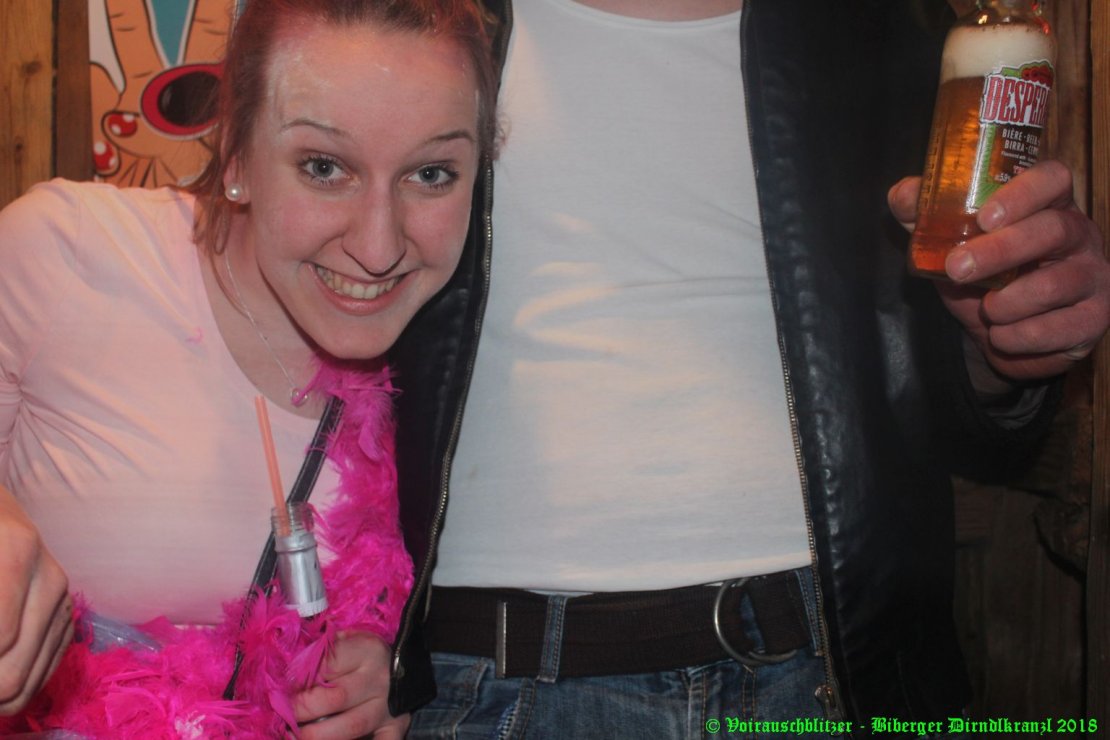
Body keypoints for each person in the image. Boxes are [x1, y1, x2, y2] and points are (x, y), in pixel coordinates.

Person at [378, 0, 1110, 737]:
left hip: (840, 670)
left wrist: (1008, 341)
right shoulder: (406, 17)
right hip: (490, 681)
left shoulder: (897, 21)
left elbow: (955, 411)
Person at [0, 0, 497, 737]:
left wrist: (388, 668)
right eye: (323, 167)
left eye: (431, 173)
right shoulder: (68, 254)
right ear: (236, 156)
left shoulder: (457, 374)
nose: (379, 246)